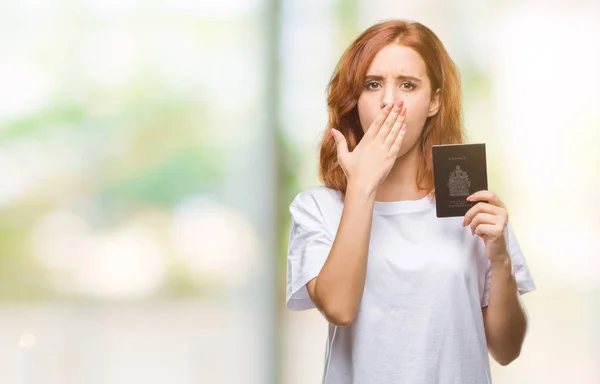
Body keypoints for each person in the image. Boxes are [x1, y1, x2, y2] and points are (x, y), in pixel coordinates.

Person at [285, 19, 535, 384]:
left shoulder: (469, 204)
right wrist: (361, 187)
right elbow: (338, 308)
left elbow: (507, 349)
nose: (390, 100)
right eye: (373, 84)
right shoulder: (317, 208)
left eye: (408, 85)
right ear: (355, 101)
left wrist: (500, 258)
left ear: (433, 101)